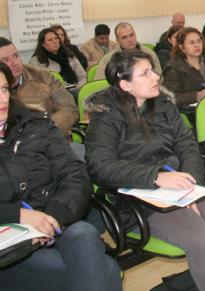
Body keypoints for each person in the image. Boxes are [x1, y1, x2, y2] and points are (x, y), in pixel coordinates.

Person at [85, 50, 205, 291]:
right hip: (137, 200)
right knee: (202, 240)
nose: (156, 77)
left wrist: (191, 185)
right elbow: (99, 167)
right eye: (145, 73)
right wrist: (155, 177)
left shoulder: (163, 103)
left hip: (182, 185)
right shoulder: (105, 115)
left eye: (153, 70)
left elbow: (188, 145)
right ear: (125, 84)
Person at [0, 62, 122, 291]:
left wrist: (52, 217)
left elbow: (74, 174)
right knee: (105, 269)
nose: (3, 99)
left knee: (84, 233)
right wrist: (17, 215)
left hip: (54, 221)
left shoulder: (34, 124)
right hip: (9, 244)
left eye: (5, 89)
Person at [0, 37, 78, 137]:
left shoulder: (43, 76)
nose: (15, 63)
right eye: (6, 60)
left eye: (15, 56)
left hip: (53, 139)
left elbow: (69, 108)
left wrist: (44, 131)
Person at [162, 27, 205, 126]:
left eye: (198, 41)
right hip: (191, 112)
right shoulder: (174, 67)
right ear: (182, 47)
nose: (197, 45)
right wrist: (197, 95)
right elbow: (169, 97)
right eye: (191, 43)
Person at [94, 22, 161, 80]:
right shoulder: (108, 59)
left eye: (131, 35)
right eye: (124, 37)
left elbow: (159, 78)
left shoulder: (149, 53)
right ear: (117, 40)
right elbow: (100, 84)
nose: (129, 40)